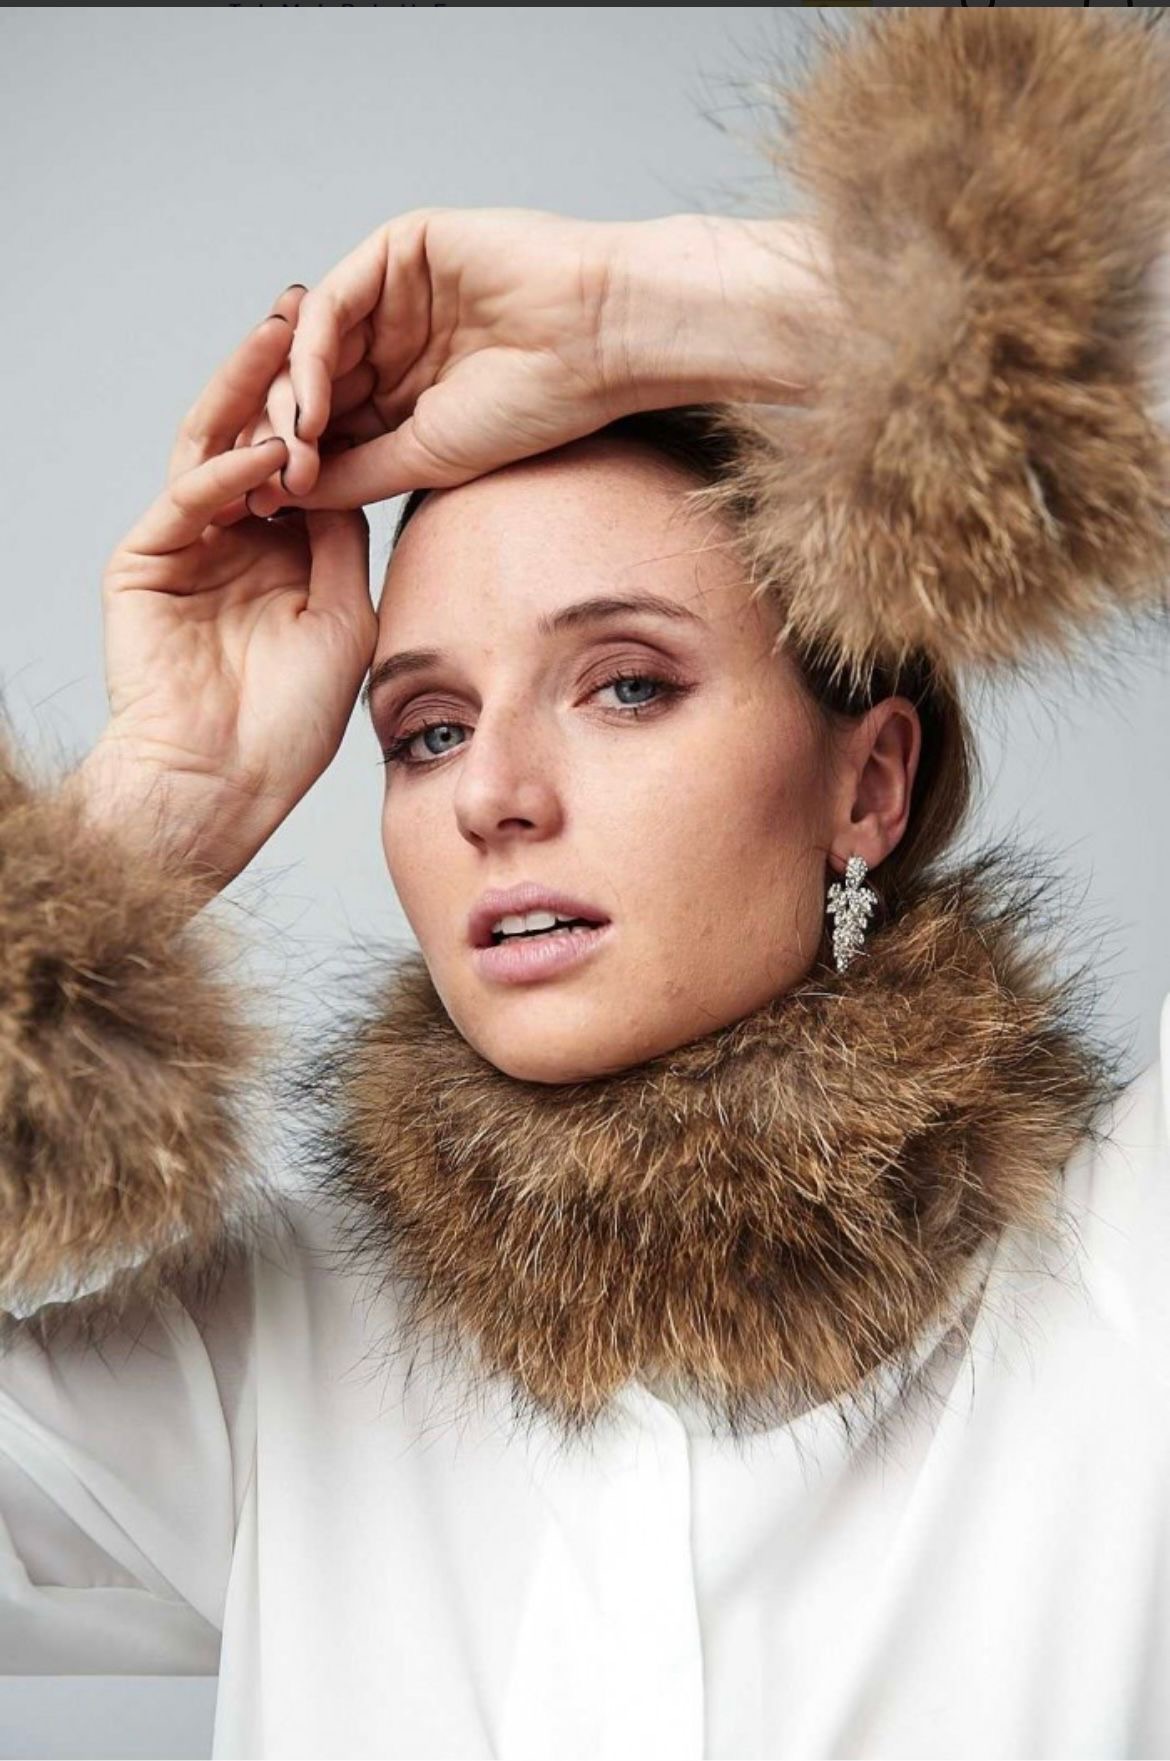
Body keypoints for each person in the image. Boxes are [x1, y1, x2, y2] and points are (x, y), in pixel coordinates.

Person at [2, 9, 1169, 1757]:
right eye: (423, 730)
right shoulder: (260, 1364)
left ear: (866, 782)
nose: (493, 796)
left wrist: (645, 311)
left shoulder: (1122, 1288)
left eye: (625, 684)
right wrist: (164, 798)